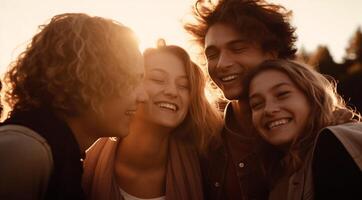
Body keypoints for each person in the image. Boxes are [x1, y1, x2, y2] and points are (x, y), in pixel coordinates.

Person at [0, 13, 147, 200]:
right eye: (132, 81)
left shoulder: (59, 153)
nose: (143, 96)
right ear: (90, 78)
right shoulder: (24, 152)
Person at [184, 0, 297, 199]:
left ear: (271, 53)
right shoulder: (203, 140)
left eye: (237, 49)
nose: (221, 64)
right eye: (212, 54)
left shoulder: (310, 133)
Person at [82, 44, 223, 200]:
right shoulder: (80, 163)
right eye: (158, 79)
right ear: (130, 85)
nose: (172, 91)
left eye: (184, 85)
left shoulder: (205, 166)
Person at [242, 59, 362, 199]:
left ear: (313, 97)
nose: (268, 109)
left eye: (282, 94)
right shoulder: (278, 174)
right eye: (257, 104)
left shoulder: (333, 143)